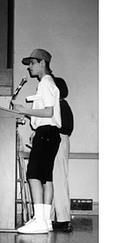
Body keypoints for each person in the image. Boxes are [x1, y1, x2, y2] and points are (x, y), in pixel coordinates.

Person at [12, 49, 61, 234]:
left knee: (33, 174)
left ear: (43, 63)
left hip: (47, 132)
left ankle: (40, 220)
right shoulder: (48, 83)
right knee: (46, 178)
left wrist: (24, 110)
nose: (30, 67)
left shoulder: (45, 83)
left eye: (32, 63)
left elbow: (48, 112)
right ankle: (45, 220)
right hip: (49, 132)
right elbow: (50, 113)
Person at [50, 77, 74, 232]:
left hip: (58, 141)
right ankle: (55, 217)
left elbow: (63, 127)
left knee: (58, 180)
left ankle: (62, 218)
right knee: (55, 179)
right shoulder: (61, 105)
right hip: (59, 141)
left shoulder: (60, 105)